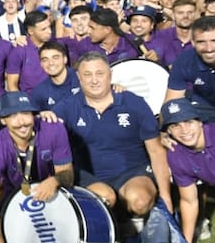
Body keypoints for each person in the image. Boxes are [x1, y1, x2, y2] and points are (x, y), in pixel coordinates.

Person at [50, 52, 171, 217]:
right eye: (87, 74)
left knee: (140, 201)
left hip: (132, 171)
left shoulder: (133, 102)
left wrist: (166, 197)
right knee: (105, 198)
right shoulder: (65, 108)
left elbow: (156, 151)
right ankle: (112, 229)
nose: (94, 80)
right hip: (88, 177)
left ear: (110, 75)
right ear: (79, 77)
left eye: (100, 73)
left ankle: (132, 221)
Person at [0, 92, 74, 243]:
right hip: (15, 199)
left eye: (25, 113)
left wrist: (55, 180)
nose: (21, 122)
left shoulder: (53, 129)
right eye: (13, 116)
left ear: (34, 115)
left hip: (55, 195)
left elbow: (69, 176)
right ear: (3, 121)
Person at [160, 99, 215, 243]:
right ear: (169, 131)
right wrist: (186, 242)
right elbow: (189, 201)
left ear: (199, 122)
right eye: (175, 125)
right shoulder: (176, 156)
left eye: (188, 121)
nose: (184, 130)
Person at [165, 16, 215, 120]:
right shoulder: (184, 59)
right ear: (193, 42)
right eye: (201, 42)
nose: (209, 48)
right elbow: (171, 103)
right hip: (200, 110)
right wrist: (166, 132)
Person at [6, 10, 53, 95]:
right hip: (30, 102)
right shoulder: (19, 51)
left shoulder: (56, 46)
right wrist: (23, 105)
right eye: (43, 29)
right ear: (31, 31)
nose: (49, 31)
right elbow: (12, 85)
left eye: (49, 27)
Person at [29, 41, 81, 109]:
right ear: (41, 64)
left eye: (55, 57)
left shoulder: (81, 78)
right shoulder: (39, 91)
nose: (51, 63)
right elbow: (33, 116)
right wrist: (41, 115)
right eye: (45, 60)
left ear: (65, 59)